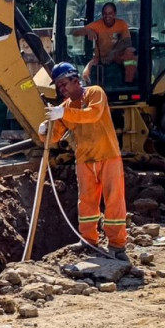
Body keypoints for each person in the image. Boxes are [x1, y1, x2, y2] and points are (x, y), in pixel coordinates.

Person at [39, 62, 130, 262]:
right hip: (85, 159)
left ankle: (117, 245)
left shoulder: (95, 93)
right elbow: (55, 136)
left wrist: (63, 113)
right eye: (58, 86)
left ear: (75, 79)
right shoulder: (65, 107)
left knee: (114, 201)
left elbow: (93, 114)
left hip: (108, 155)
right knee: (86, 202)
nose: (61, 89)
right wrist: (45, 131)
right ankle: (88, 240)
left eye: (64, 84)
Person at [73, 2, 136, 85]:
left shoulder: (121, 24)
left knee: (130, 53)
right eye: (105, 14)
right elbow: (75, 33)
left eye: (110, 13)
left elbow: (127, 42)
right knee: (85, 74)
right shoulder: (97, 25)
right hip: (100, 57)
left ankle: (129, 83)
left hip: (117, 55)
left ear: (115, 14)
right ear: (102, 14)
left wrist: (113, 53)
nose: (107, 16)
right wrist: (87, 30)